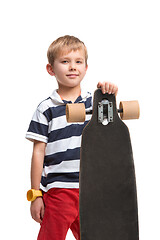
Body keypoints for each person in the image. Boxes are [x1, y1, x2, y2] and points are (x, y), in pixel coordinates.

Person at [26, 35, 118, 240]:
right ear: (51, 69)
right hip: (60, 189)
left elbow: (110, 128)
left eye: (78, 62)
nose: (73, 67)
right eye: (65, 61)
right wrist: (36, 195)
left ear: (86, 68)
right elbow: (38, 151)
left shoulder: (93, 104)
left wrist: (108, 93)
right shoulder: (46, 108)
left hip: (91, 187)